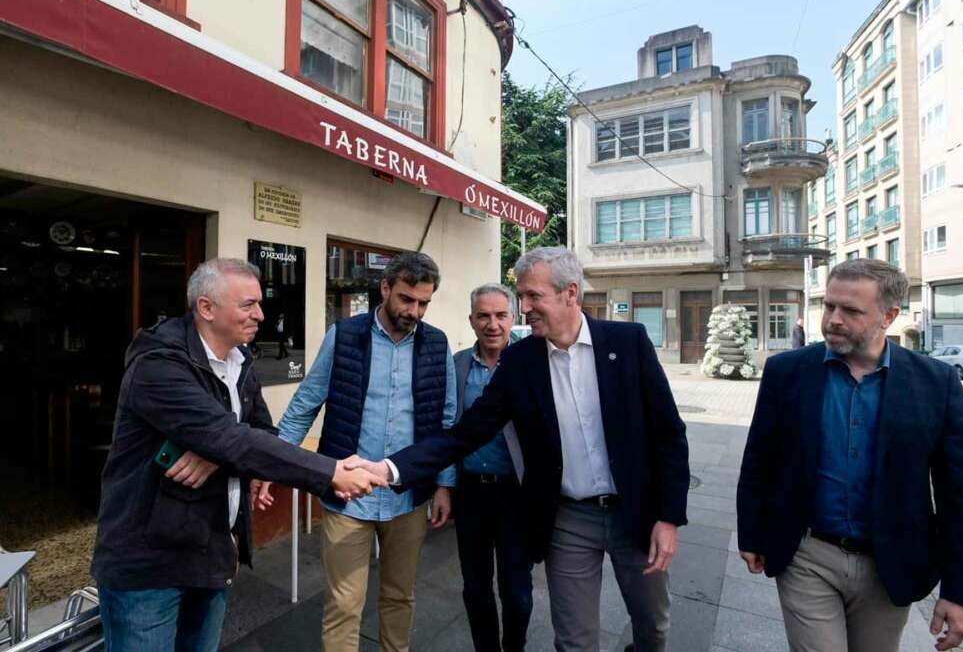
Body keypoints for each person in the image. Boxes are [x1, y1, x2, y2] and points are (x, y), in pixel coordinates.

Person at [353, 246, 690, 652]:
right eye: (522, 297)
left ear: (570, 293)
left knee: (653, 626)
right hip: (569, 519)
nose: (524, 308)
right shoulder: (522, 360)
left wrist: (668, 518)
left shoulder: (628, 342)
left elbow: (669, 434)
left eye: (533, 297)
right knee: (575, 640)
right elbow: (466, 433)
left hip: (636, 512)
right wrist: (392, 468)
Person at [91, 258, 385, 651]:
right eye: (248, 305)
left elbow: (255, 433)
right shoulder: (158, 365)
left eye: (259, 304)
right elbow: (229, 437)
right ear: (206, 308)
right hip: (150, 565)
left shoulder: (239, 360)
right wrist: (331, 471)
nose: (260, 315)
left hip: (211, 552)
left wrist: (216, 451)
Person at [737, 259, 963, 652]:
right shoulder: (786, 372)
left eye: (851, 311)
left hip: (891, 562)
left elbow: (959, 492)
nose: (833, 320)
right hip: (807, 554)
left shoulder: (936, 383)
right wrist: (752, 532)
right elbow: (760, 457)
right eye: (829, 306)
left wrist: (960, 590)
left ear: (889, 316)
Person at [258, 251, 457, 652]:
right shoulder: (345, 336)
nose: (414, 311)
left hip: (408, 496)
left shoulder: (436, 344)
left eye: (423, 303)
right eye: (406, 299)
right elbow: (305, 403)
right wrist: (272, 463)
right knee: (344, 604)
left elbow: (447, 422)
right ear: (385, 288)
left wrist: (444, 485)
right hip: (349, 496)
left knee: (399, 596)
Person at [453, 283, 532, 652]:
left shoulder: (531, 363)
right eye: (483, 316)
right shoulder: (457, 366)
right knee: (475, 587)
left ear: (512, 319)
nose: (492, 324)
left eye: (501, 315)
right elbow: (447, 427)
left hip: (515, 494)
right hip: (470, 491)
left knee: (516, 592)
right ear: (471, 321)